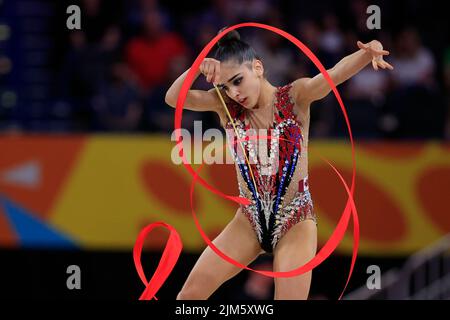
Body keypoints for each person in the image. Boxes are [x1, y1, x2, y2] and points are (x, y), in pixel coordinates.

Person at [165, 29, 393, 300]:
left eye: (238, 80)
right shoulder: (224, 105)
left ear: (258, 67)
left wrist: (368, 52)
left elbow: (335, 73)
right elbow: (173, 98)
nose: (234, 93)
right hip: (248, 221)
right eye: (226, 86)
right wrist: (198, 65)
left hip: (295, 219)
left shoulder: (295, 96)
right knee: (188, 297)